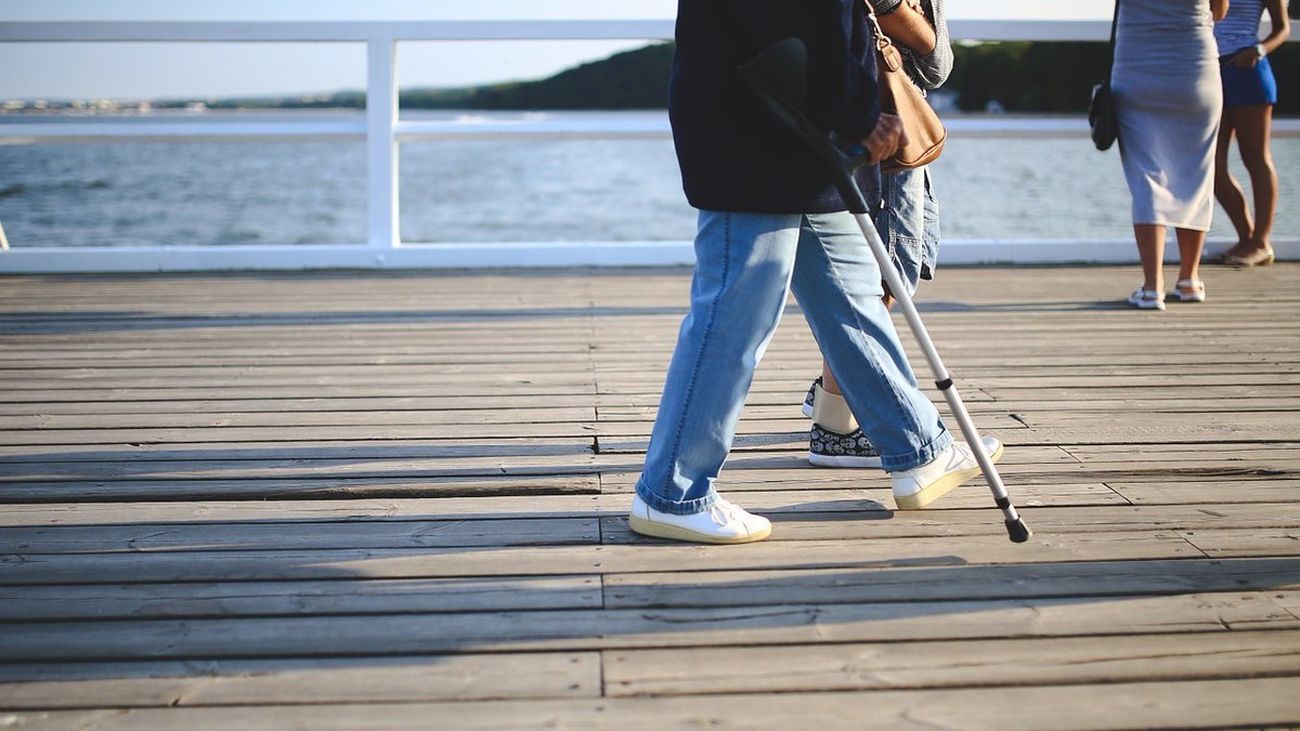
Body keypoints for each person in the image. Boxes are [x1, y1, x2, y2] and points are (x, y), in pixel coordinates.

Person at [629, 0, 1001, 545]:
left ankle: (920, 450)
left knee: (852, 299)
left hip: (794, 134)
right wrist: (856, 113)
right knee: (732, 317)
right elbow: (799, 18)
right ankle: (672, 492)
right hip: (762, 134)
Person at [801, 0, 955, 467]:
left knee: (882, 266)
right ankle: (836, 421)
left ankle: (837, 397)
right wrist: (922, 33)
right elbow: (922, 49)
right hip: (878, 110)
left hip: (875, 106)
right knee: (882, 275)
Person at [1115, 0, 1230, 311]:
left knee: (1147, 175)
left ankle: (1153, 287)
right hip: (1195, 67)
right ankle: (1189, 280)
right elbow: (1219, 10)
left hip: (1136, 67)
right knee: (1196, 173)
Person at [1213, 0, 1290, 267]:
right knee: (1212, 165)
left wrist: (1257, 50)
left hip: (1248, 70)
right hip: (1210, 70)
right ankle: (1246, 236)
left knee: (1255, 156)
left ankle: (1260, 242)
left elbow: (1282, 28)